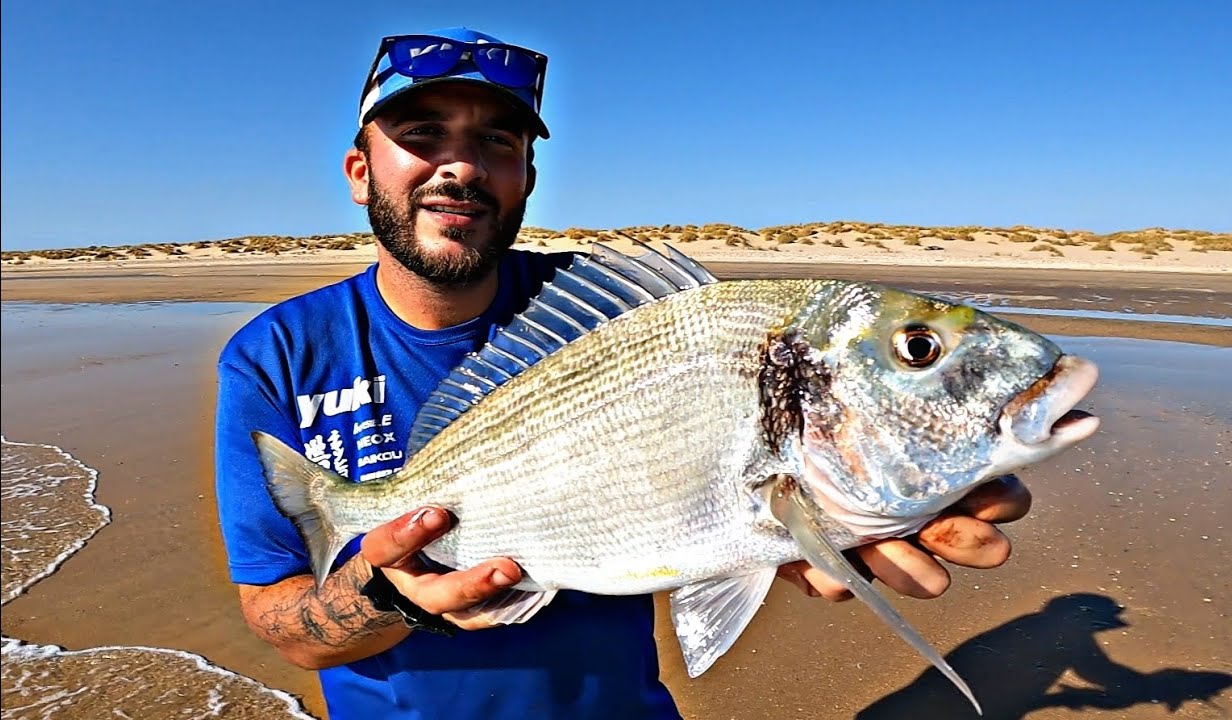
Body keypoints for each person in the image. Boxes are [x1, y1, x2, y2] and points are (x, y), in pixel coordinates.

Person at [212, 25, 1034, 720]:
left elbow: (720, 481)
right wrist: (393, 595)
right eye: (422, 134)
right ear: (360, 173)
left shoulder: (611, 314)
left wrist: (820, 519)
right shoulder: (276, 356)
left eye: (496, 140)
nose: (459, 166)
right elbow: (282, 624)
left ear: (526, 178)